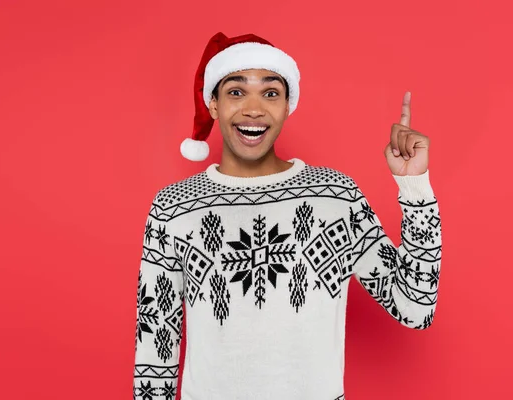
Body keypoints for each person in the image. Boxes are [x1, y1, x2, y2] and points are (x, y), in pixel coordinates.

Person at [132, 31, 442, 400]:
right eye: (235, 91)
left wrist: (415, 188)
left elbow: (415, 305)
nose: (253, 108)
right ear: (213, 104)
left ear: (288, 104)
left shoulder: (334, 197)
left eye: (270, 93)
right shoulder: (174, 207)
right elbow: (156, 346)